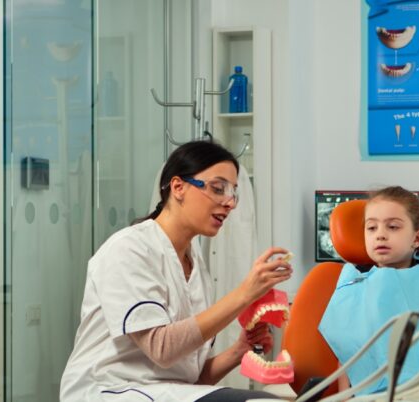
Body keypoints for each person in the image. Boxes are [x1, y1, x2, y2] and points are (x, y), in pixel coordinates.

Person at [60, 140, 293, 402]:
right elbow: (162, 349)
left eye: (233, 193)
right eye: (218, 188)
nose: (230, 203)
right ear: (178, 187)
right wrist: (245, 294)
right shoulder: (129, 250)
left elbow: (191, 381)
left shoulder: (196, 269)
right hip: (108, 392)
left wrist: (239, 351)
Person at [318, 186, 419, 396]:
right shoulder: (353, 283)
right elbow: (348, 351)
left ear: (417, 238)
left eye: (393, 227)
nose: (380, 235)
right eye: (371, 228)